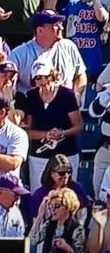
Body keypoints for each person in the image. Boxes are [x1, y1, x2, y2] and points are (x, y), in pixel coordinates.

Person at [25, 58, 83, 192]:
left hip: (66, 154)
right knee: (38, 194)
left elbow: (78, 126)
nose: (42, 81)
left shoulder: (67, 95)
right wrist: (46, 135)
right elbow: (28, 130)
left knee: (67, 195)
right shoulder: (31, 96)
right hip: (39, 157)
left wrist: (62, 133)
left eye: (45, 77)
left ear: (52, 75)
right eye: (38, 78)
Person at [10, 10, 86, 94]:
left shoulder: (69, 47)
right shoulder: (19, 54)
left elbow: (80, 75)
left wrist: (77, 95)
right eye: (56, 25)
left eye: (60, 24)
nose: (61, 28)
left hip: (65, 103)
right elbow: (7, 82)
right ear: (40, 30)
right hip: (31, 105)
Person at [65, 0, 107, 79]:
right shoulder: (72, 6)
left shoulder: (100, 7)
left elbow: (102, 18)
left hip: (93, 59)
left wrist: (95, 0)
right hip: (76, 54)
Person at [30, 187, 86, 253]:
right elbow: (32, 240)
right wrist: (39, 217)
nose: (53, 210)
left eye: (57, 206)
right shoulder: (49, 224)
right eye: (50, 206)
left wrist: (67, 248)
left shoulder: (77, 229)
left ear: (68, 207)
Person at [29, 155, 91, 223]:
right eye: (62, 173)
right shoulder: (40, 194)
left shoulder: (77, 189)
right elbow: (35, 219)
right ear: (51, 173)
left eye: (68, 172)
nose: (66, 176)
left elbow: (84, 213)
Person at [88, 84, 110, 198]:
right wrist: (108, 94)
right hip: (106, 150)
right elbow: (94, 112)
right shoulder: (107, 90)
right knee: (100, 196)